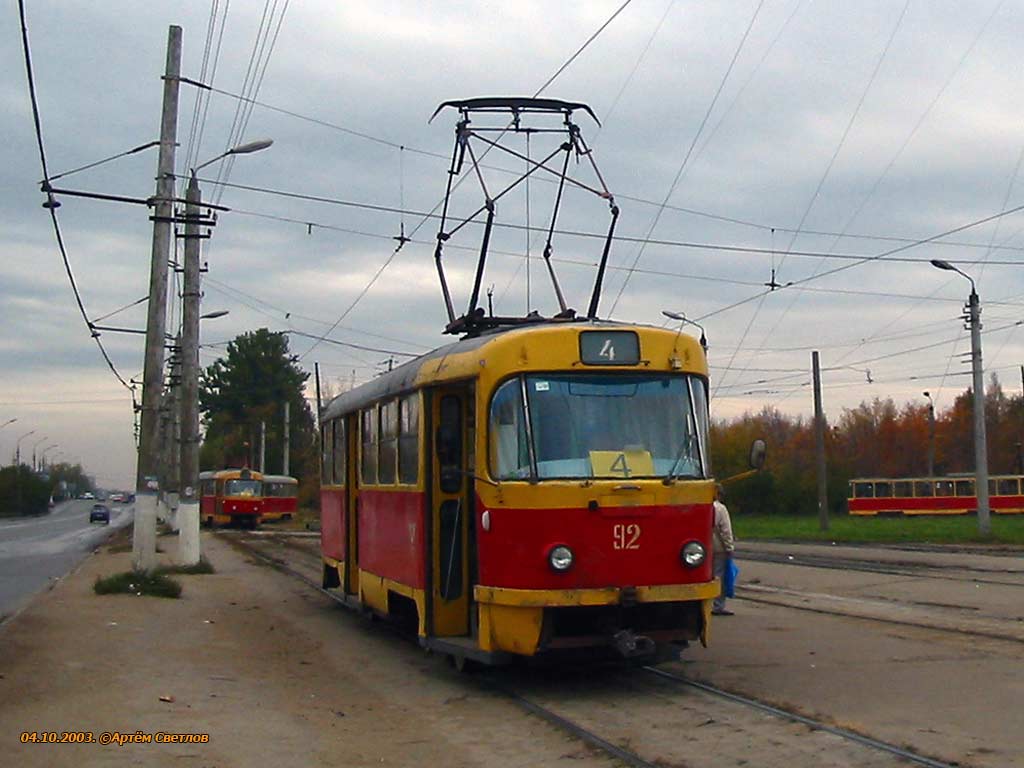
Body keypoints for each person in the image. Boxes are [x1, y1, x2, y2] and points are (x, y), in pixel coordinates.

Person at [712, 483, 735, 616]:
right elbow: (725, 530)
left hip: (703, 547)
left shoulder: (704, 507)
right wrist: (729, 547)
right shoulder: (720, 509)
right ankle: (718, 605)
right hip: (719, 547)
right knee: (719, 576)